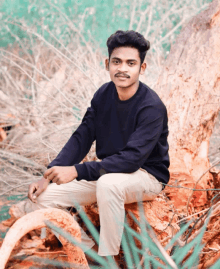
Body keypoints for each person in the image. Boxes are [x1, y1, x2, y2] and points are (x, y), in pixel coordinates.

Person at [27, 30, 169, 260]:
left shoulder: (151, 106)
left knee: (108, 184)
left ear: (142, 68)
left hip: (147, 176)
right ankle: (90, 251)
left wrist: (76, 170)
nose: (122, 68)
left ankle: (109, 257)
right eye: (117, 61)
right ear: (107, 64)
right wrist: (49, 174)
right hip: (109, 173)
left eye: (130, 63)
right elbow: (82, 136)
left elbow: (131, 159)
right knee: (43, 198)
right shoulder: (103, 94)